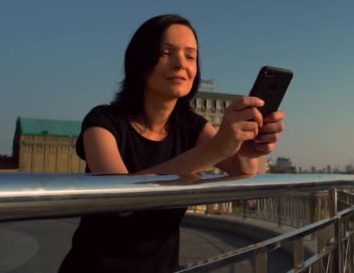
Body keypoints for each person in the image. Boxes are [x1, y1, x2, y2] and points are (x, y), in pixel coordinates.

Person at [59, 14, 286, 273]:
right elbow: (121, 202)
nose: (181, 64)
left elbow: (243, 169)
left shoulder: (192, 126)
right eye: (166, 52)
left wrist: (249, 148)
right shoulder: (103, 122)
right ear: (140, 63)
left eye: (191, 56)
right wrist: (215, 149)